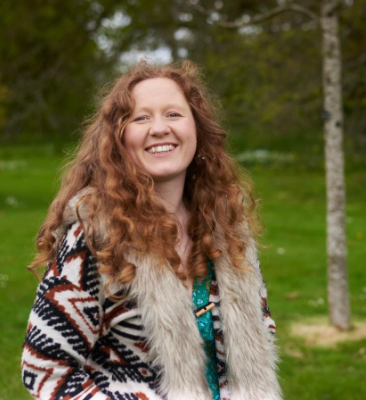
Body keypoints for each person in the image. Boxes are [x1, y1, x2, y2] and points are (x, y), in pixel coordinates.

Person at [21, 60, 282, 400]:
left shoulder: (227, 226)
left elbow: (261, 328)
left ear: (197, 128)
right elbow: (45, 370)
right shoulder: (95, 236)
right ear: (119, 138)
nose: (159, 128)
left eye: (174, 114)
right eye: (141, 117)